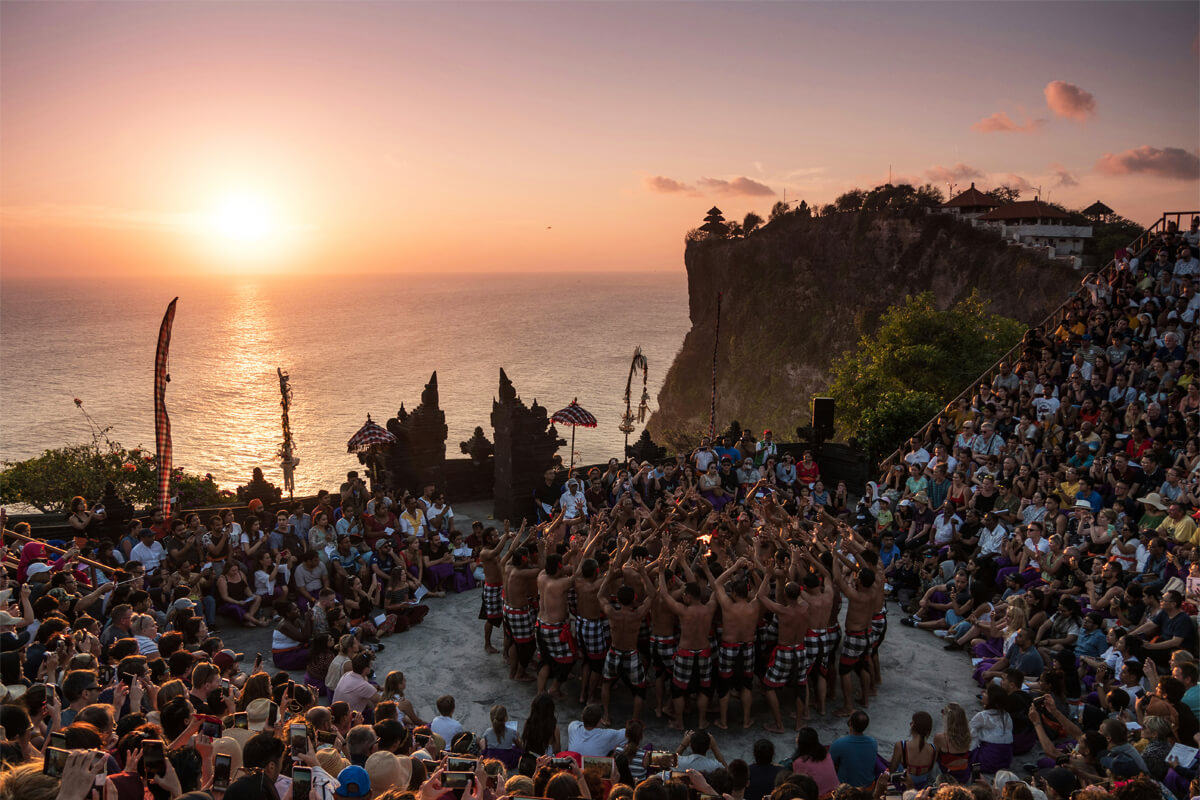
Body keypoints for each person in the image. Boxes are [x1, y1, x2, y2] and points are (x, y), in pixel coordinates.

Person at [828, 711, 877, 788]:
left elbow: (830, 764)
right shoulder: (873, 742)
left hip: (847, 789)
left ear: (850, 723)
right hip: (868, 786)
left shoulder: (839, 743)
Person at [789, 728, 838, 797]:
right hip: (837, 792)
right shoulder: (826, 753)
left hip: (820, 796)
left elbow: (798, 783)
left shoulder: (799, 762)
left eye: (797, 737)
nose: (796, 739)